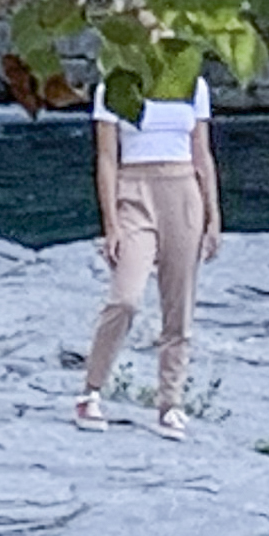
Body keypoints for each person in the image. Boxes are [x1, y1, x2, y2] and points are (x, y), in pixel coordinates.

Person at [75, 65, 223, 438]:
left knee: (179, 303)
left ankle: (170, 402)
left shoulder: (192, 84)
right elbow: (107, 158)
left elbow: (202, 154)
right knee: (125, 298)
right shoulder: (115, 86)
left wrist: (213, 217)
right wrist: (110, 224)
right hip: (134, 191)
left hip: (182, 189)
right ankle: (91, 390)